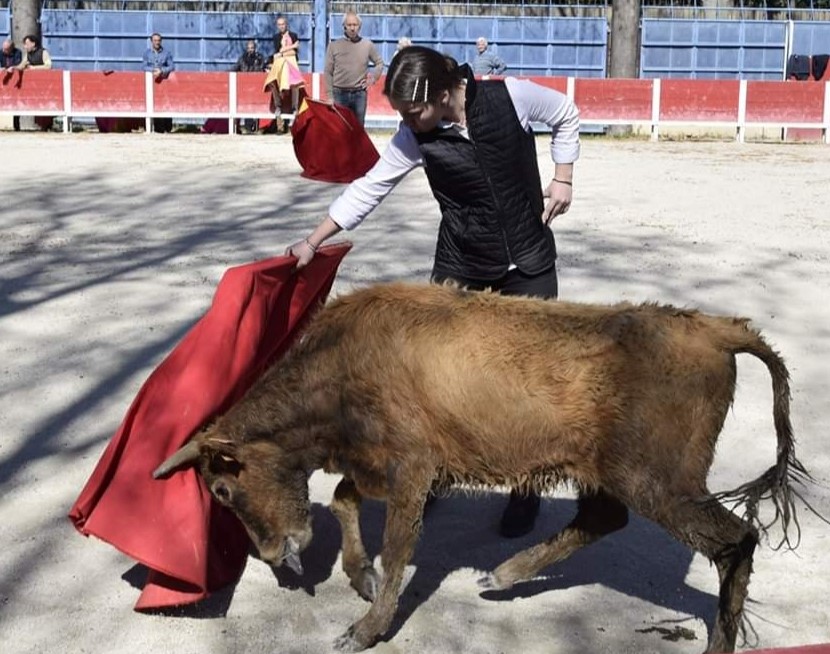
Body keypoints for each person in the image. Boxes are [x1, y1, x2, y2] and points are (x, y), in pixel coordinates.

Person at [286, 45, 579, 539]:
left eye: (413, 111)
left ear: (444, 93)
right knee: (435, 375)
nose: (408, 121)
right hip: (461, 260)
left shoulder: (512, 97)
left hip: (527, 259)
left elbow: (566, 114)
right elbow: (370, 187)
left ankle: (525, 489)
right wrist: (315, 238)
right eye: (401, 112)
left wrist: (563, 176)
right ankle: (436, 472)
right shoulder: (414, 136)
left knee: (528, 382)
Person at [324, 12, 384, 126]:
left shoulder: (367, 45)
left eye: (355, 25)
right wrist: (330, 96)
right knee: (340, 130)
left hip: (359, 94)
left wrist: (372, 79)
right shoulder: (334, 46)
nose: (352, 28)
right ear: (344, 26)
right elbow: (328, 72)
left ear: (359, 27)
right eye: (349, 25)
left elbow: (380, 63)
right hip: (339, 94)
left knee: (358, 130)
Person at [264, 15, 304, 132]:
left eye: (283, 24)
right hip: (280, 64)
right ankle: (278, 106)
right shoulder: (276, 37)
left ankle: (294, 107)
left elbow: (292, 53)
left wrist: (284, 51)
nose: (281, 26)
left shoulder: (293, 35)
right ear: (277, 26)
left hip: (291, 64)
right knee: (272, 82)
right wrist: (291, 47)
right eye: (279, 25)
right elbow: (279, 51)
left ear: (286, 25)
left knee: (295, 84)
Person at [142, 33, 175, 133]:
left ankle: (167, 128)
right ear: (151, 41)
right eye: (155, 40)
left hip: (164, 84)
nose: (157, 42)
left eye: (158, 40)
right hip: (151, 84)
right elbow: (143, 67)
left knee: (165, 104)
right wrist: (153, 70)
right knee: (152, 104)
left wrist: (162, 71)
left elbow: (172, 66)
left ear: (161, 41)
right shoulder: (147, 53)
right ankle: (156, 128)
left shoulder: (166, 53)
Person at [233, 39, 266, 133]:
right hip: (245, 87)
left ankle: (256, 127)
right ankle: (247, 127)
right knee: (245, 105)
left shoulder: (260, 58)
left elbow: (261, 69)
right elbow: (236, 67)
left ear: (255, 48)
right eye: (249, 48)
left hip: (256, 86)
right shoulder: (242, 58)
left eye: (252, 48)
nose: (250, 50)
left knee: (256, 106)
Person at [2, 38, 23, 130]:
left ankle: (16, 126)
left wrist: (12, 67)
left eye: (6, 49)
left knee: (16, 102)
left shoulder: (17, 52)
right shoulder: (0, 52)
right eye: (3, 48)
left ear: (11, 48)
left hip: (14, 81)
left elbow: (18, 64)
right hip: (3, 81)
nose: (4, 51)